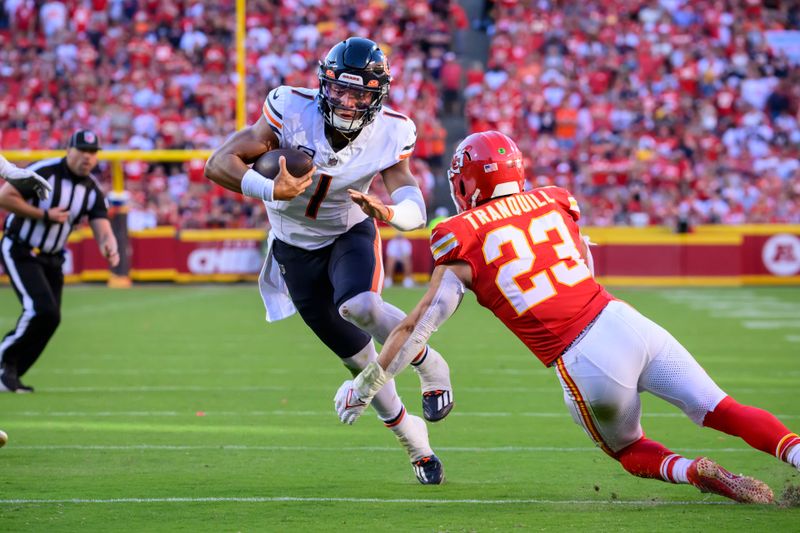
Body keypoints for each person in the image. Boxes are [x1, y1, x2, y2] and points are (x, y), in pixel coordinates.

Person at [334, 130, 800, 503]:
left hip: (582, 356)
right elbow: (582, 264)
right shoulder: (556, 200)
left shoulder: (460, 234)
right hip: (625, 320)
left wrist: (367, 384)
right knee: (723, 408)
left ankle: (692, 471)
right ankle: (796, 453)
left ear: (466, 183)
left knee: (628, 448)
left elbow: (418, 327)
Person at [205, 37, 452, 484]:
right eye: (339, 89)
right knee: (359, 362)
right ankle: (415, 444)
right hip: (293, 249)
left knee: (360, 306)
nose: (346, 100)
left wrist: (391, 213)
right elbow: (218, 162)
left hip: (348, 231)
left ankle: (431, 364)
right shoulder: (289, 107)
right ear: (324, 84)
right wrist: (269, 189)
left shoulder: (393, 130)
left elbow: (411, 198)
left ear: (376, 96)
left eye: (359, 93)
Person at [0, 130, 120, 393]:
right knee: (39, 309)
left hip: (52, 258)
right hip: (21, 248)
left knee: (51, 318)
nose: (87, 157)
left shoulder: (91, 190)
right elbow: (5, 196)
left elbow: (101, 224)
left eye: (93, 152)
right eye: (82, 151)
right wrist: (43, 215)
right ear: (69, 149)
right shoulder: (46, 171)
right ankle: (3, 363)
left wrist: (109, 245)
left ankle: (11, 374)